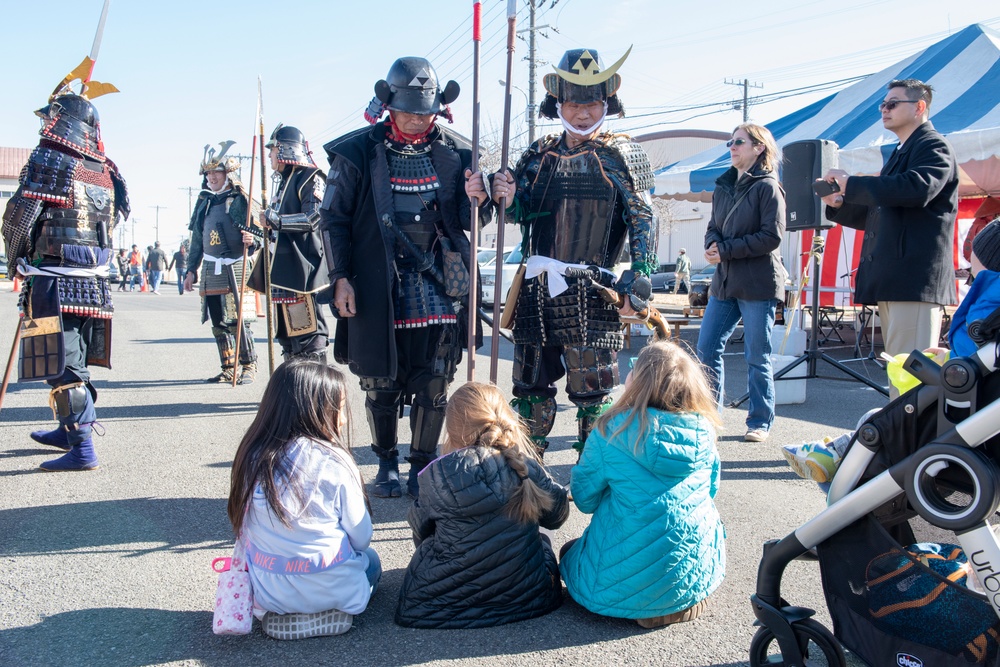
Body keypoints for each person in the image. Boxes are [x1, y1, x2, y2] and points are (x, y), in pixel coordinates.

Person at [468, 47, 656, 456]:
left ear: (606, 102)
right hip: (537, 287)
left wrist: (640, 273)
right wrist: (502, 193)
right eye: (573, 102)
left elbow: (643, 215)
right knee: (530, 384)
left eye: (591, 103)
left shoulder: (622, 153)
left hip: (593, 288)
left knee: (593, 389)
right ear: (559, 104)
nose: (583, 113)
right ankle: (525, 467)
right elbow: (520, 211)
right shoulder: (538, 153)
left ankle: (595, 468)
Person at [320, 57, 490, 499]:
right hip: (377, 283)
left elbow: (478, 217)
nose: (417, 117)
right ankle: (385, 464)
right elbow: (333, 219)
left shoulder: (460, 152)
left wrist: (486, 195)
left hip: (439, 281)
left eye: (425, 109)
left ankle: (422, 464)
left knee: (435, 382)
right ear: (388, 106)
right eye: (409, 109)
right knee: (380, 383)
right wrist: (340, 277)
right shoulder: (355, 152)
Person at [1, 91, 129, 471]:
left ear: (61, 120)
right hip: (94, 284)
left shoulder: (50, 158)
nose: (45, 124)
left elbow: (19, 218)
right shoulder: (107, 168)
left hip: (54, 280)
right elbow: (114, 221)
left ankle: (82, 447)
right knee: (71, 361)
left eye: (50, 117)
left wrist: (17, 260)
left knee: (62, 366)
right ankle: (66, 427)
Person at [559, 340, 726, 629]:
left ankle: (645, 603)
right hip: (690, 572)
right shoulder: (704, 429)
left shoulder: (611, 430)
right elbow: (711, 490)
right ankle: (677, 600)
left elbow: (584, 500)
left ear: (638, 380)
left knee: (569, 553)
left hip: (625, 577)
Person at [820, 78, 959, 398]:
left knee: (911, 378)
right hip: (900, 280)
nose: (884, 109)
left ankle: (913, 446)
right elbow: (884, 210)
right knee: (903, 374)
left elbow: (916, 189)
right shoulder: (905, 150)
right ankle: (905, 445)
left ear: (919, 107)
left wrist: (851, 184)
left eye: (892, 103)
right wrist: (842, 203)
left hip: (913, 280)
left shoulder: (933, 145)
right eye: (883, 104)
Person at [227, 360, 380, 640]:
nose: (344, 418)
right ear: (316, 410)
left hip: (270, 597)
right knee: (371, 560)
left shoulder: (251, 457)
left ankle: (288, 611)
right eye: (340, 408)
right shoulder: (334, 460)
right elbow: (362, 538)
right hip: (337, 590)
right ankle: (329, 608)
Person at [395, 382, 569, 628]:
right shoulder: (525, 466)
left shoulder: (438, 473)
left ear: (453, 430)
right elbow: (558, 516)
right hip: (528, 596)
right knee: (542, 531)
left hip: (441, 600)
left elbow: (421, 532)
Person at [696, 123, 786, 443]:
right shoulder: (723, 186)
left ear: (758, 148)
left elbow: (771, 237)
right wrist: (711, 245)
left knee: (756, 355)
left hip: (758, 281)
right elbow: (713, 227)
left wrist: (726, 250)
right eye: (730, 143)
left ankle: (760, 421)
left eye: (738, 142)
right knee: (706, 349)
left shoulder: (767, 187)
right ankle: (709, 416)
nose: (732, 147)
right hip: (724, 282)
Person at [248, 124, 330, 363]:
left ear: (285, 150)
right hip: (281, 269)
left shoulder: (311, 177)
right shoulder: (284, 181)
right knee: (287, 337)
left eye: (272, 150)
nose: (270, 155)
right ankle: (291, 391)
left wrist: (276, 220)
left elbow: (314, 218)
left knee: (307, 336)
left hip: (300, 269)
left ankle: (314, 393)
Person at [184, 141, 262, 385]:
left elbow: (261, 233)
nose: (211, 177)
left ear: (228, 173)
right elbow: (197, 237)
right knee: (218, 321)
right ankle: (229, 366)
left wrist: (254, 238)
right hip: (211, 266)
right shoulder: (204, 201)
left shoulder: (241, 199)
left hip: (237, 264)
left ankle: (248, 365)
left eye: (216, 172)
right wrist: (190, 270)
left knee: (240, 320)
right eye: (208, 173)